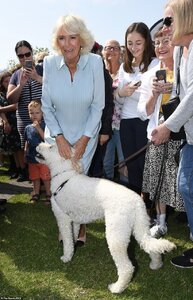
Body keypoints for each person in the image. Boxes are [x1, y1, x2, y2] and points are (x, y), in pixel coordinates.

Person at [41, 14, 105, 245]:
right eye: (61, 38)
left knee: (79, 182)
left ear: (81, 40)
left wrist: (84, 140)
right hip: (57, 135)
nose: (67, 44)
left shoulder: (96, 63)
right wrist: (58, 137)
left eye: (72, 37)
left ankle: (80, 225)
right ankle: (65, 226)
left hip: (85, 135)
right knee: (61, 185)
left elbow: (98, 106)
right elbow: (46, 106)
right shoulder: (48, 63)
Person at [151, 0, 193, 268]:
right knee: (185, 186)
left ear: (186, 17)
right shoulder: (179, 52)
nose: (165, 28)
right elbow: (181, 92)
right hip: (190, 136)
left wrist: (168, 126)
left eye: (168, 20)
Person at [138, 27, 184, 238]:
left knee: (181, 181)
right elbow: (143, 112)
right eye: (157, 43)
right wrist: (155, 94)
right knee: (157, 179)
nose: (161, 46)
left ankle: (186, 217)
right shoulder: (150, 77)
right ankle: (161, 221)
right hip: (157, 134)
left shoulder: (185, 70)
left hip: (183, 136)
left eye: (166, 41)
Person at [115, 22, 159, 195]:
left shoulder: (155, 64)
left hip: (146, 122)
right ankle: (137, 207)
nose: (133, 47)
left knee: (145, 166)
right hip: (126, 122)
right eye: (130, 43)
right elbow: (117, 101)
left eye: (138, 43)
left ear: (147, 42)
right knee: (131, 165)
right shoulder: (123, 67)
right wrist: (121, 93)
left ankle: (150, 205)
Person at [7, 40, 43, 182]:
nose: (24, 58)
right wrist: (21, 84)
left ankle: (45, 185)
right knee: (29, 153)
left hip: (44, 120)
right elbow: (11, 99)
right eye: (20, 56)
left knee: (46, 150)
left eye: (27, 54)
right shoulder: (16, 75)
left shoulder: (42, 69)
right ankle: (35, 183)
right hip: (24, 120)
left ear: (32, 53)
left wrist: (37, 78)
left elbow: (55, 88)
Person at [102, 39, 127, 182]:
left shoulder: (125, 71)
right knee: (106, 161)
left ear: (120, 52)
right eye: (107, 48)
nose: (111, 50)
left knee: (124, 161)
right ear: (103, 52)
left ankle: (127, 193)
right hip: (106, 125)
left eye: (114, 48)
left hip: (122, 123)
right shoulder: (100, 73)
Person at [24, 100, 51, 204]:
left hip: (43, 159)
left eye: (37, 112)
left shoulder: (46, 126)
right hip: (32, 158)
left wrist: (39, 128)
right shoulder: (27, 128)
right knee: (35, 177)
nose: (34, 115)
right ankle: (36, 193)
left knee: (46, 177)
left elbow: (46, 139)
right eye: (31, 113)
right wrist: (25, 152)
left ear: (43, 113)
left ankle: (49, 194)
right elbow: (27, 141)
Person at [0, 70, 21, 179]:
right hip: (8, 124)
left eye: (10, 80)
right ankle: (17, 169)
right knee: (13, 149)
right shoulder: (1, 95)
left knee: (20, 148)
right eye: (5, 81)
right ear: (2, 84)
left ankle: (23, 170)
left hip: (18, 120)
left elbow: (16, 105)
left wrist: (2, 109)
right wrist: (5, 122)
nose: (8, 83)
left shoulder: (16, 91)